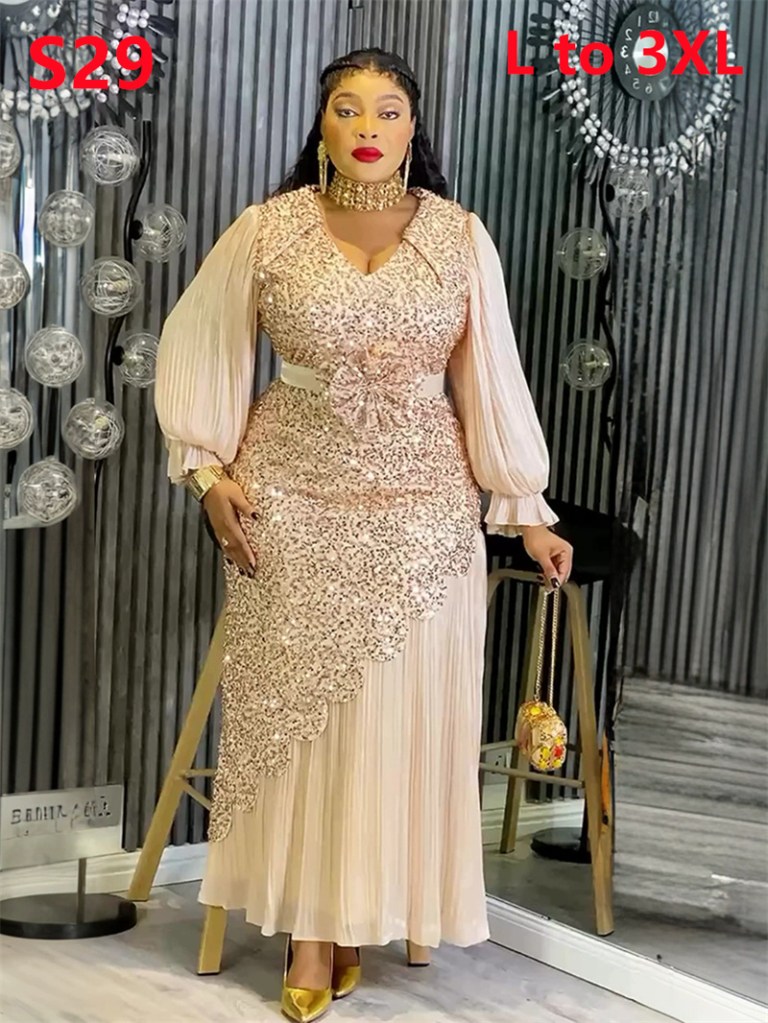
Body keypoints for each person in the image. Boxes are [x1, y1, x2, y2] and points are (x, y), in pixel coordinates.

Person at [154, 46, 573, 1023]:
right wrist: (207, 474)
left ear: (414, 127)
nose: (370, 126)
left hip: (425, 514)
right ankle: (313, 932)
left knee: (395, 716)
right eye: (349, 108)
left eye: (389, 109)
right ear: (324, 124)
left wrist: (527, 511)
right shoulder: (267, 228)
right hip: (289, 499)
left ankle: (366, 912)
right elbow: (204, 344)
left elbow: (489, 377)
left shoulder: (460, 237)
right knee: (302, 718)